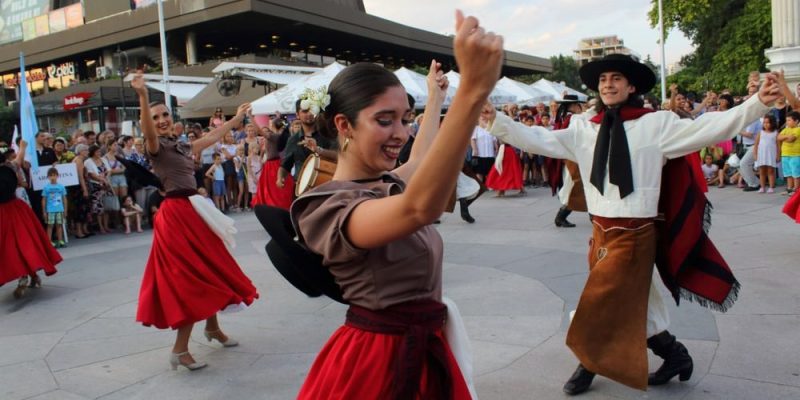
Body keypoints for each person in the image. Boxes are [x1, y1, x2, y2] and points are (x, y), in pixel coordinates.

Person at [482, 53, 781, 395]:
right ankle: (675, 355)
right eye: (603, 79)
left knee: (601, 302)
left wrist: (757, 103)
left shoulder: (656, 124)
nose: (608, 84)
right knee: (638, 302)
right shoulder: (583, 128)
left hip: (636, 233)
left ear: (631, 86)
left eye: (616, 78)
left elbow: (709, 127)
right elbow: (539, 139)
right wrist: (496, 121)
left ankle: (588, 363)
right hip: (600, 233)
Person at [277, 13, 501, 398]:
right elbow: (419, 209)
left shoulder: (382, 184)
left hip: (420, 347)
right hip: (378, 363)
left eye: (404, 119)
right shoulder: (329, 206)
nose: (400, 133)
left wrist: (437, 97)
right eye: (384, 120)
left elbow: (422, 159)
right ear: (344, 125)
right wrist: (473, 92)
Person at [131, 71, 258, 371]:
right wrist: (143, 96)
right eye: (156, 117)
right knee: (189, 279)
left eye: (165, 114)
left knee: (209, 268)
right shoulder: (156, 147)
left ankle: (212, 328)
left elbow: (212, 137)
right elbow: (148, 132)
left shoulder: (181, 145)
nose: (161, 120)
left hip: (192, 211)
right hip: (176, 216)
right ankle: (179, 350)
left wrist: (236, 118)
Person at [0, 153, 62, 299]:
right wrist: (22, 148)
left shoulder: (9, 168)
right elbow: (18, 162)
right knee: (20, 244)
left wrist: (22, 148)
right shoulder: (10, 168)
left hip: (9, 211)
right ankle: (31, 274)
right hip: (16, 209)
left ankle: (25, 276)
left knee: (14, 246)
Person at [42, 167, 68, 248]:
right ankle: (49, 242)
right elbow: (44, 199)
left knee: (59, 225)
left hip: (60, 209)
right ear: (48, 177)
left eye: (54, 175)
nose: (52, 177)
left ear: (57, 176)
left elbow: (64, 198)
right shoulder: (46, 187)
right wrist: (44, 211)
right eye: (51, 176)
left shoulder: (61, 187)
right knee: (50, 226)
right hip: (50, 210)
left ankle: (60, 240)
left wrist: (65, 209)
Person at [753, 114, 780, 193]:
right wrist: (755, 154)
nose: (766, 124)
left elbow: (778, 146)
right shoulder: (760, 133)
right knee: (762, 171)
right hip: (762, 155)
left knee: (771, 171)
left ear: (772, 123)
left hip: (771, 155)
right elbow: (756, 145)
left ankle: (771, 187)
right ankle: (762, 187)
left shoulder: (776, 133)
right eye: (764, 122)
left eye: (768, 122)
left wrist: (778, 155)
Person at [778, 111, 800, 196]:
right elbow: (778, 137)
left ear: (796, 121)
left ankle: (796, 190)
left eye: (789, 120)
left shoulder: (798, 129)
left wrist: (784, 138)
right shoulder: (786, 129)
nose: (787, 122)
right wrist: (787, 136)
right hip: (785, 154)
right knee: (788, 173)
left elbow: (791, 139)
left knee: (795, 173)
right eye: (786, 120)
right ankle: (789, 188)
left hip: (795, 155)